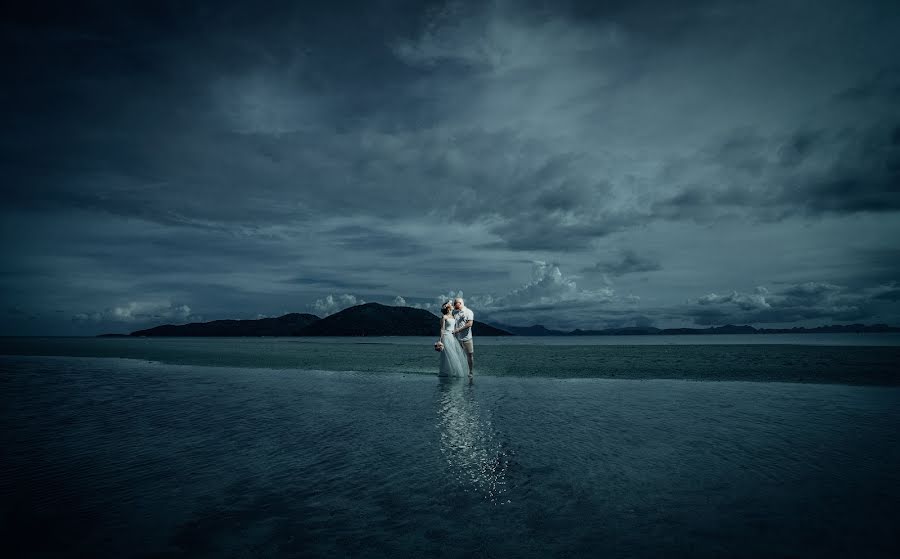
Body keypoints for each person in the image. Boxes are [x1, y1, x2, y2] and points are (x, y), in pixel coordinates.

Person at [437, 302, 468, 377]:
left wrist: (459, 339)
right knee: (448, 355)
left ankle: (453, 371)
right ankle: (447, 372)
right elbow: (442, 329)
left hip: (452, 337)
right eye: (450, 304)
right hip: (446, 337)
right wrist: (440, 341)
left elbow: (454, 329)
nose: (452, 305)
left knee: (454, 354)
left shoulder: (453, 317)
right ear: (448, 308)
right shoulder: (444, 317)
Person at [451, 297, 474, 376]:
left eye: (455, 303)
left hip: (467, 338)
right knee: (458, 355)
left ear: (460, 303)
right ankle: (460, 371)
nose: (453, 305)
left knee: (469, 355)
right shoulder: (454, 313)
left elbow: (469, 324)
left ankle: (470, 371)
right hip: (457, 339)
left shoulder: (468, 312)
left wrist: (458, 330)